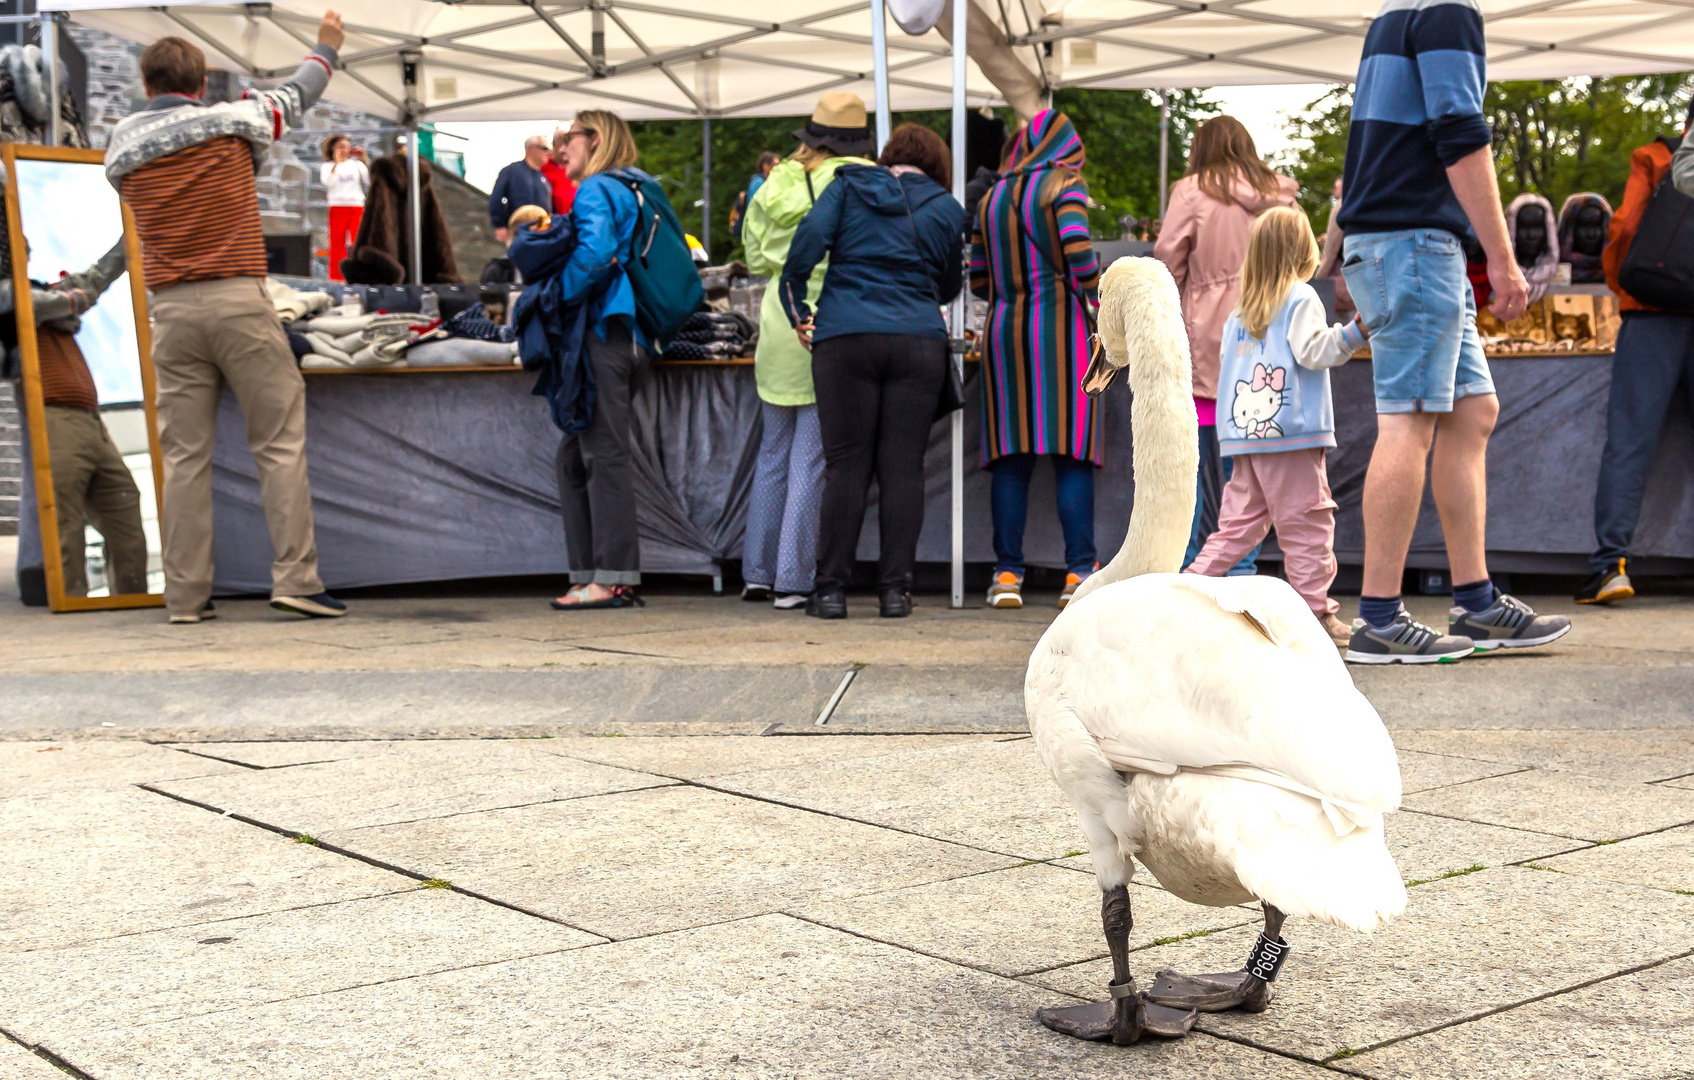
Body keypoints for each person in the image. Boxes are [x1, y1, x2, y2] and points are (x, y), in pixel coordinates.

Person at [1337, 0, 1568, 661]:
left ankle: (1476, 602)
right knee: (1409, 420)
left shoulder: (1395, 14)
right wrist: (1501, 256)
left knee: (1472, 412)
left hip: (1404, 240)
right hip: (1415, 242)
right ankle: (1379, 618)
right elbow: (1460, 131)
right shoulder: (1446, 12)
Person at [105, 16, 348, 623]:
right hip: (239, 299)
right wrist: (326, 45)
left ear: (144, 80)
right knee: (278, 443)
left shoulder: (124, 146)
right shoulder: (233, 121)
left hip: (172, 311)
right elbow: (300, 91)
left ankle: (186, 596)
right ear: (201, 80)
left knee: (184, 457)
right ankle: (296, 578)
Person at [781, 122, 966, 619]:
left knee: (846, 464)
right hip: (917, 341)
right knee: (903, 467)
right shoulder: (948, 209)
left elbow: (806, 246)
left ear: (887, 156)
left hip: (845, 337)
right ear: (936, 165)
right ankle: (895, 592)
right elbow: (948, 285)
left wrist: (799, 308)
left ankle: (830, 591)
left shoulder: (846, 186)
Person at [1185, 208, 1367, 646]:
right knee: (1309, 527)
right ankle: (1314, 617)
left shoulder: (1240, 313)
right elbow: (1314, 351)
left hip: (1245, 439)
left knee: (1237, 527)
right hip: (1293, 436)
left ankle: (1184, 593)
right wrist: (1356, 333)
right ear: (1302, 249)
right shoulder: (1301, 298)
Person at [740, 96, 875, 608]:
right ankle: (793, 581)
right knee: (811, 459)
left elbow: (754, 257)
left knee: (772, 453)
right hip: (826, 316)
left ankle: (757, 571)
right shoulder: (860, 179)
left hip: (778, 318)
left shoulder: (775, 180)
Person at [1154, 115, 1298, 580]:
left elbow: (1165, 259)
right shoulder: (1281, 194)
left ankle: (1189, 563)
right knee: (1249, 463)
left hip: (1208, 332)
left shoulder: (1191, 192)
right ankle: (1242, 568)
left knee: (1191, 462)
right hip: (1268, 330)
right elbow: (1303, 260)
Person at [970, 110, 1102, 611]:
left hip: (1005, 330)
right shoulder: (1064, 185)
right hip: (1062, 331)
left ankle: (1007, 574)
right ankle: (1078, 573)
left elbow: (978, 277)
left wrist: (1009, 290)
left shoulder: (991, 196)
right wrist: (1097, 290)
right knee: (1072, 452)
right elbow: (1078, 248)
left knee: (1010, 457)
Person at [1580, 104, 1694, 605]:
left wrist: (1624, 288)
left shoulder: (1655, 158)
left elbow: (1624, 227)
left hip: (1651, 312)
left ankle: (1612, 565)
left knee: (1629, 442)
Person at [547, 110, 654, 611]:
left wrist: (557, 297)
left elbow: (595, 254)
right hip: (632, 337)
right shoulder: (636, 186)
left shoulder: (594, 190)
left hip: (603, 333)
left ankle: (611, 580)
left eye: (568, 138)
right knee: (574, 455)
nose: (559, 149)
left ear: (593, 140)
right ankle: (590, 573)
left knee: (603, 455)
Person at [0, 240, 148, 597]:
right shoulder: (13, 299)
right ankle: (71, 603)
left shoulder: (37, 296)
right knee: (63, 527)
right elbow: (33, 302)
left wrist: (128, 240)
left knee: (124, 507)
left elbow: (94, 280)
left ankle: (131, 598)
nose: (25, 254)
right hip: (54, 415)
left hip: (89, 419)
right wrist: (73, 301)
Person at [319, 133, 368, 283]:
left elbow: (369, 179)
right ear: (333, 149)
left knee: (357, 241)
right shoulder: (327, 167)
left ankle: (360, 274)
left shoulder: (357, 165)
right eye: (341, 147)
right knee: (337, 243)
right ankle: (336, 276)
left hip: (356, 206)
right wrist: (336, 164)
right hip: (337, 206)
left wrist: (364, 159)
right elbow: (328, 182)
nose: (345, 150)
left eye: (347, 147)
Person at [489, 135, 554, 243]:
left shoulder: (543, 178)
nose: (548, 153)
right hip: (518, 232)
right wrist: (499, 224)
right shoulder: (512, 171)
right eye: (545, 149)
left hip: (541, 232)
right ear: (531, 148)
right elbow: (496, 198)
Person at [729, 150, 780, 244]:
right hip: (758, 230)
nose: (778, 168)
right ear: (765, 166)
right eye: (775, 164)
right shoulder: (759, 183)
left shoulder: (768, 182)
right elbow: (755, 208)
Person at [540, 128, 578, 216]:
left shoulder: (574, 167)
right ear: (553, 143)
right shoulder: (543, 166)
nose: (564, 148)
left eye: (568, 142)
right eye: (562, 142)